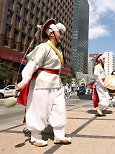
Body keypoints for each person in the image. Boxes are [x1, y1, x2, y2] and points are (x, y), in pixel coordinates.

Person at [16, 19, 72, 147]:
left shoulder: (58, 50)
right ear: (51, 33)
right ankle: (35, 137)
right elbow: (32, 65)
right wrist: (24, 82)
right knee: (39, 110)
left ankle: (59, 135)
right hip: (42, 83)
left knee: (59, 109)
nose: (62, 36)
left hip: (56, 84)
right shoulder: (43, 47)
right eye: (60, 33)